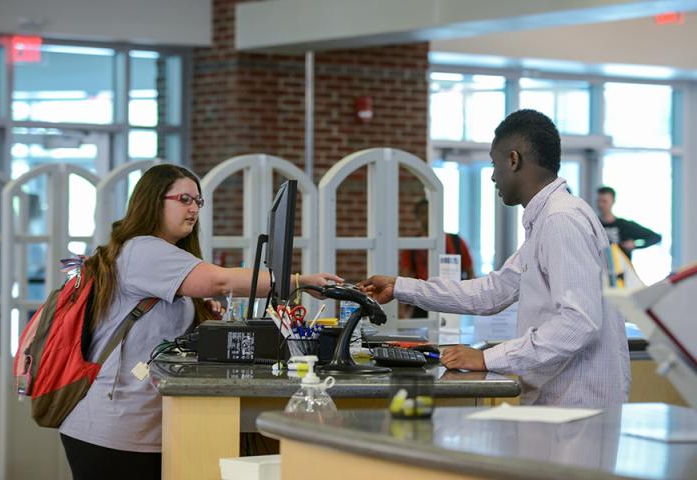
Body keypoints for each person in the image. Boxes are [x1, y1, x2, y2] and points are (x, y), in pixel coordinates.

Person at [58, 164, 341, 480]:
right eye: (183, 199)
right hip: (114, 429)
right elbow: (219, 281)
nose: (193, 209)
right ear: (152, 201)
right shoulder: (143, 249)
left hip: (136, 426)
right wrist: (298, 281)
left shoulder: (158, 253)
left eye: (198, 201)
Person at [359, 109, 630, 407]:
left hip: (576, 407)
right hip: (560, 401)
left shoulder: (560, 219)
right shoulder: (546, 221)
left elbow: (578, 322)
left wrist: (488, 358)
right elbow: (490, 293)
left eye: (494, 163)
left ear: (513, 160)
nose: (491, 176)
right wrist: (399, 287)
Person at [399, 197, 474, 318]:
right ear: (417, 217)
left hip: (453, 298)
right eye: (423, 213)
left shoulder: (456, 241)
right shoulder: (412, 245)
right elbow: (405, 277)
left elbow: (470, 272)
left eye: (430, 212)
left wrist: (469, 301)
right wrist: (403, 310)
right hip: (422, 300)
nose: (427, 217)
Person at [596, 186, 661, 259]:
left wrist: (635, 244)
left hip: (621, 269)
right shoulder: (593, 225)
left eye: (604, 201)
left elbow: (655, 237)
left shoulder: (625, 225)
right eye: (598, 201)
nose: (600, 205)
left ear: (613, 201)